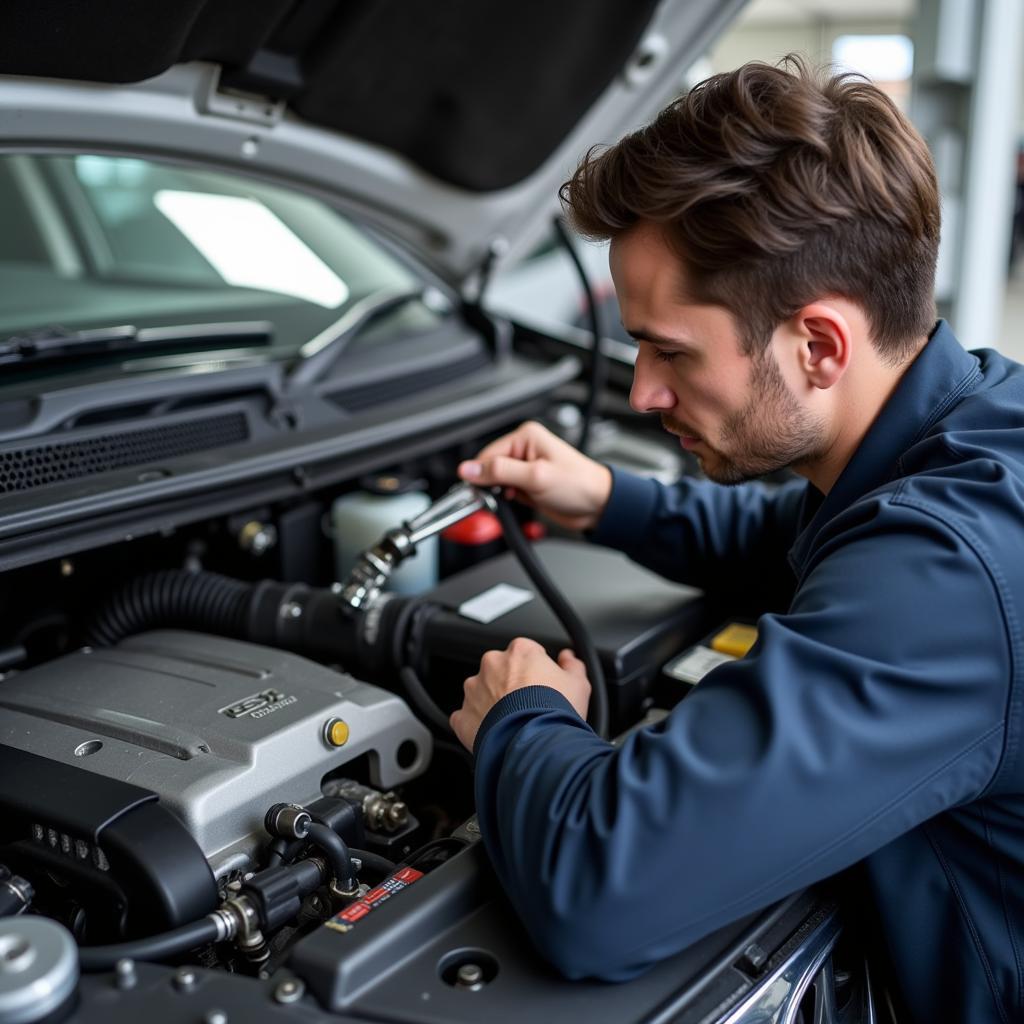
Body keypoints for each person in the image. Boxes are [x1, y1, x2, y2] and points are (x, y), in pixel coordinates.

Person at [449, 58, 1024, 1024]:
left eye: (670, 349)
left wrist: (527, 719)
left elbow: (602, 889)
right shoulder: (968, 417)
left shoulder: (944, 578)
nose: (640, 393)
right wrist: (606, 498)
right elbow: (793, 537)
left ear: (821, 345)